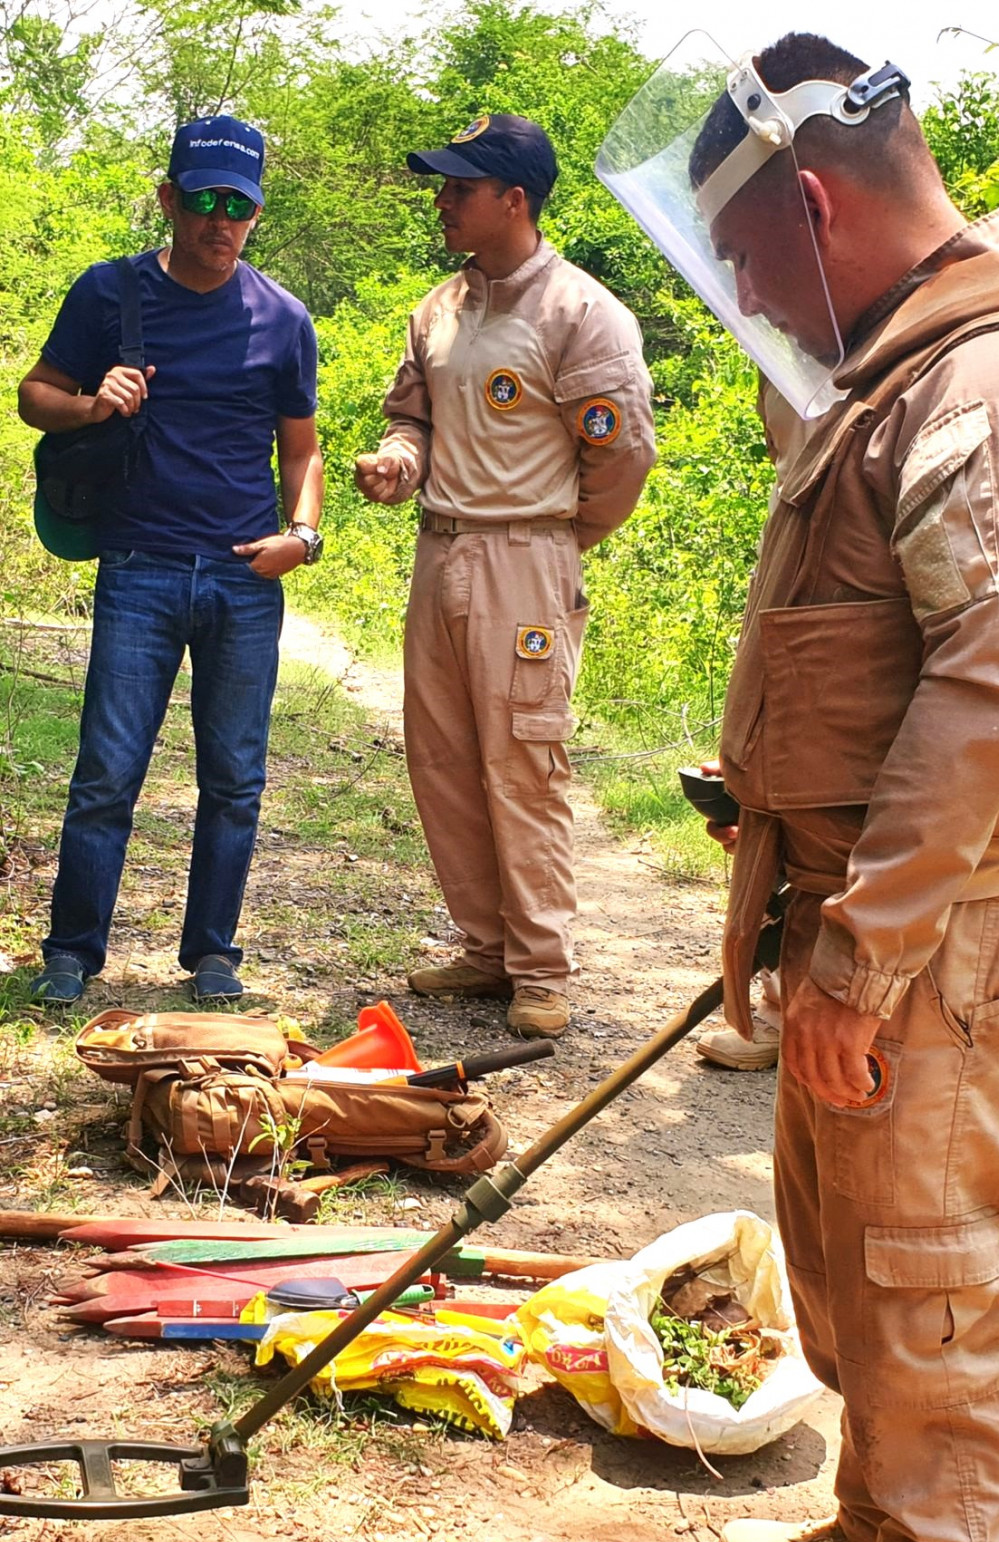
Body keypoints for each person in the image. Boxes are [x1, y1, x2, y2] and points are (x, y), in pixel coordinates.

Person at [599, 33, 999, 1542]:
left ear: (817, 200)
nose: (749, 292)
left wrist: (862, 950)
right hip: (877, 919)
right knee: (845, 1273)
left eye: (749, 258)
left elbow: (987, 692)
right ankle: (872, 1525)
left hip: (944, 943)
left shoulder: (990, 382)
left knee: (927, 1301)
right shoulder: (903, 357)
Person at [355, 113, 655, 1038]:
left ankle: (541, 968)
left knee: (524, 760)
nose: (441, 201)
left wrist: (554, 545)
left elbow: (622, 459)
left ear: (512, 200)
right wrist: (400, 462)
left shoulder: (581, 312)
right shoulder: (439, 308)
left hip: (525, 560)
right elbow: (417, 417)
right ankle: (485, 948)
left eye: (459, 187)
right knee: (441, 756)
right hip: (438, 551)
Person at [19, 115, 324, 1005]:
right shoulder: (109, 294)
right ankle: (72, 952)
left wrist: (300, 538)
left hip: (244, 573)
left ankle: (214, 954)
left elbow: (299, 449)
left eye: (240, 205)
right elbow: (36, 395)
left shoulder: (283, 319)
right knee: (107, 771)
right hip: (140, 567)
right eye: (203, 202)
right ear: (169, 201)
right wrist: (89, 404)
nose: (220, 222)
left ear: (258, 213)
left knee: (235, 777)